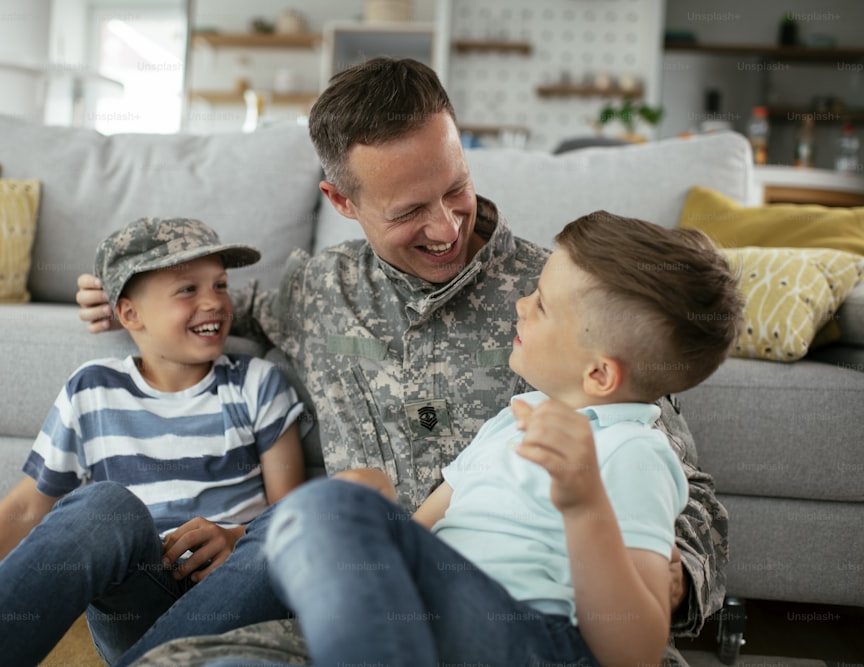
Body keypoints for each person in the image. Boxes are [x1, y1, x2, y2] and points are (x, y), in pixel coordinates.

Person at [74, 58, 729, 665]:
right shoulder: (320, 290)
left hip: (507, 621)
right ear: (343, 203)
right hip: (341, 593)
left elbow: (666, 470)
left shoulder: (564, 298)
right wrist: (133, 292)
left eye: (456, 189)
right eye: (411, 210)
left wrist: (656, 575)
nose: (446, 227)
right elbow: (227, 306)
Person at [227, 210, 745, 667]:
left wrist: (585, 504)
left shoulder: (633, 450)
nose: (521, 305)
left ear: (600, 376)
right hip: (434, 620)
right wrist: (374, 517)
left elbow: (633, 655)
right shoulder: (514, 418)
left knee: (319, 510)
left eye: (540, 305)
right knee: (326, 510)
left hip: (532, 639)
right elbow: (424, 531)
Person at [0, 217, 305, 666]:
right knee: (103, 503)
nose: (214, 302)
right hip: (141, 598)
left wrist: (236, 537)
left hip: (233, 592)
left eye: (219, 285)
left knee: (298, 518)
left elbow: (287, 517)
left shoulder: (257, 382)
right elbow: (27, 506)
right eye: (187, 290)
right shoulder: (91, 388)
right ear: (129, 314)